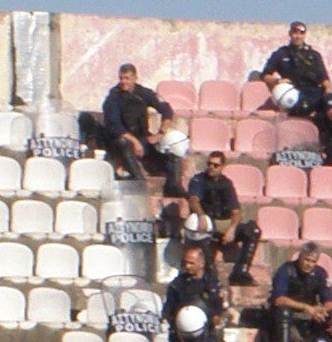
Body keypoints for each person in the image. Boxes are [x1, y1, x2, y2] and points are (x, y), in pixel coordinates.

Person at [101, 64, 188, 196]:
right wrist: (135, 142)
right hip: (123, 140)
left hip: (143, 138)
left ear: (135, 78)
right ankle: (139, 181)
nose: (124, 82)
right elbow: (114, 126)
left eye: (127, 78)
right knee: (123, 143)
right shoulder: (114, 97)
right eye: (121, 78)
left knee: (174, 147)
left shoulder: (144, 93)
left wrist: (161, 133)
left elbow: (166, 110)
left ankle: (173, 186)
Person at [178, 151, 261, 286]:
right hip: (207, 220)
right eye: (209, 164)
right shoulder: (199, 180)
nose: (211, 167)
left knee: (253, 231)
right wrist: (201, 215)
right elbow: (193, 200)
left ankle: (241, 272)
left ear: (222, 167)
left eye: (215, 165)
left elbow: (235, 211)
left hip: (223, 222)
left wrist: (232, 229)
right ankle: (210, 274)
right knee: (195, 225)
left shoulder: (226, 184)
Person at [265, 241, 332, 342]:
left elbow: (329, 300)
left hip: (311, 314)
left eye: (313, 261)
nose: (309, 264)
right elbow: (278, 299)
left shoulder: (320, 273)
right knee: (283, 312)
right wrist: (306, 308)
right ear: (300, 257)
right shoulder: (286, 270)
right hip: (287, 312)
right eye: (307, 260)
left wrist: (323, 310)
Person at [259, 21, 329, 118]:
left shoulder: (314, 55)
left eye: (301, 33)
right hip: (293, 94)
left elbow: (324, 78)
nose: (298, 36)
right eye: (295, 32)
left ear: (305, 35)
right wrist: (277, 81)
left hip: (313, 93)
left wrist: (329, 91)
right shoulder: (281, 53)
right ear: (290, 34)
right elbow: (264, 75)